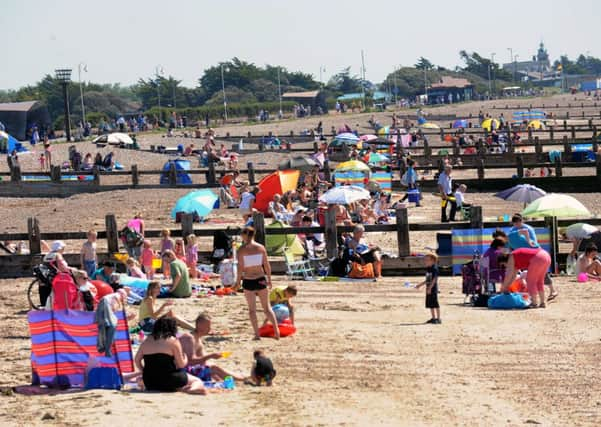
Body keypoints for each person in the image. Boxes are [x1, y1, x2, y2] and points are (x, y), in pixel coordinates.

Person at [134, 317, 207, 394]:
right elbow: (181, 365)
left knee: (140, 379)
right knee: (197, 381)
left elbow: (137, 360)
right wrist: (185, 358)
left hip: (150, 382)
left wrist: (144, 371)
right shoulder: (173, 341)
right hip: (170, 380)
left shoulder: (146, 341)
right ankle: (192, 389)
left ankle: (182, 388)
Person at [234, 227, 280, 340]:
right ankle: (276, 331)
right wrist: (269, 279)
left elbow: (240, 268)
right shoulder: (260, 248)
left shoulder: (242, 250)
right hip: (260, 278)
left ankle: (257, 334)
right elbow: (266, 265)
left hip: (248, 279)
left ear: (245, 235)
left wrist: (238, 281)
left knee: (252, 310)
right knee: (267, 308)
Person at [178, 312, 246, 381]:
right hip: (182, 372)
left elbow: (202, 363)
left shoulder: (198, 339)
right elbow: (190, 361)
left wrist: (215, 376)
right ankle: (241, 379)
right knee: (213, 367)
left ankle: (238, 378)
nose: (210, 329)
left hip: (190, 370)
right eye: (208, 326)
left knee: (212, 367)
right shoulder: (189, 338)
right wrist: (211, 356)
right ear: (199, 325)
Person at [415, 253, 441, 324]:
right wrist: (420, 285)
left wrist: (430, 288)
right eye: (425, 260)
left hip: (433, 288)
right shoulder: (428, 269)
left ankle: (438, 318)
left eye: (427, 260)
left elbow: (434, 280)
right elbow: (428, 279)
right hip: (428, 288)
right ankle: (433, 318)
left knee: (435, 303)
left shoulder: (434, 268)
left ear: (433, 261)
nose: (425, 261)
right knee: (430, 304)